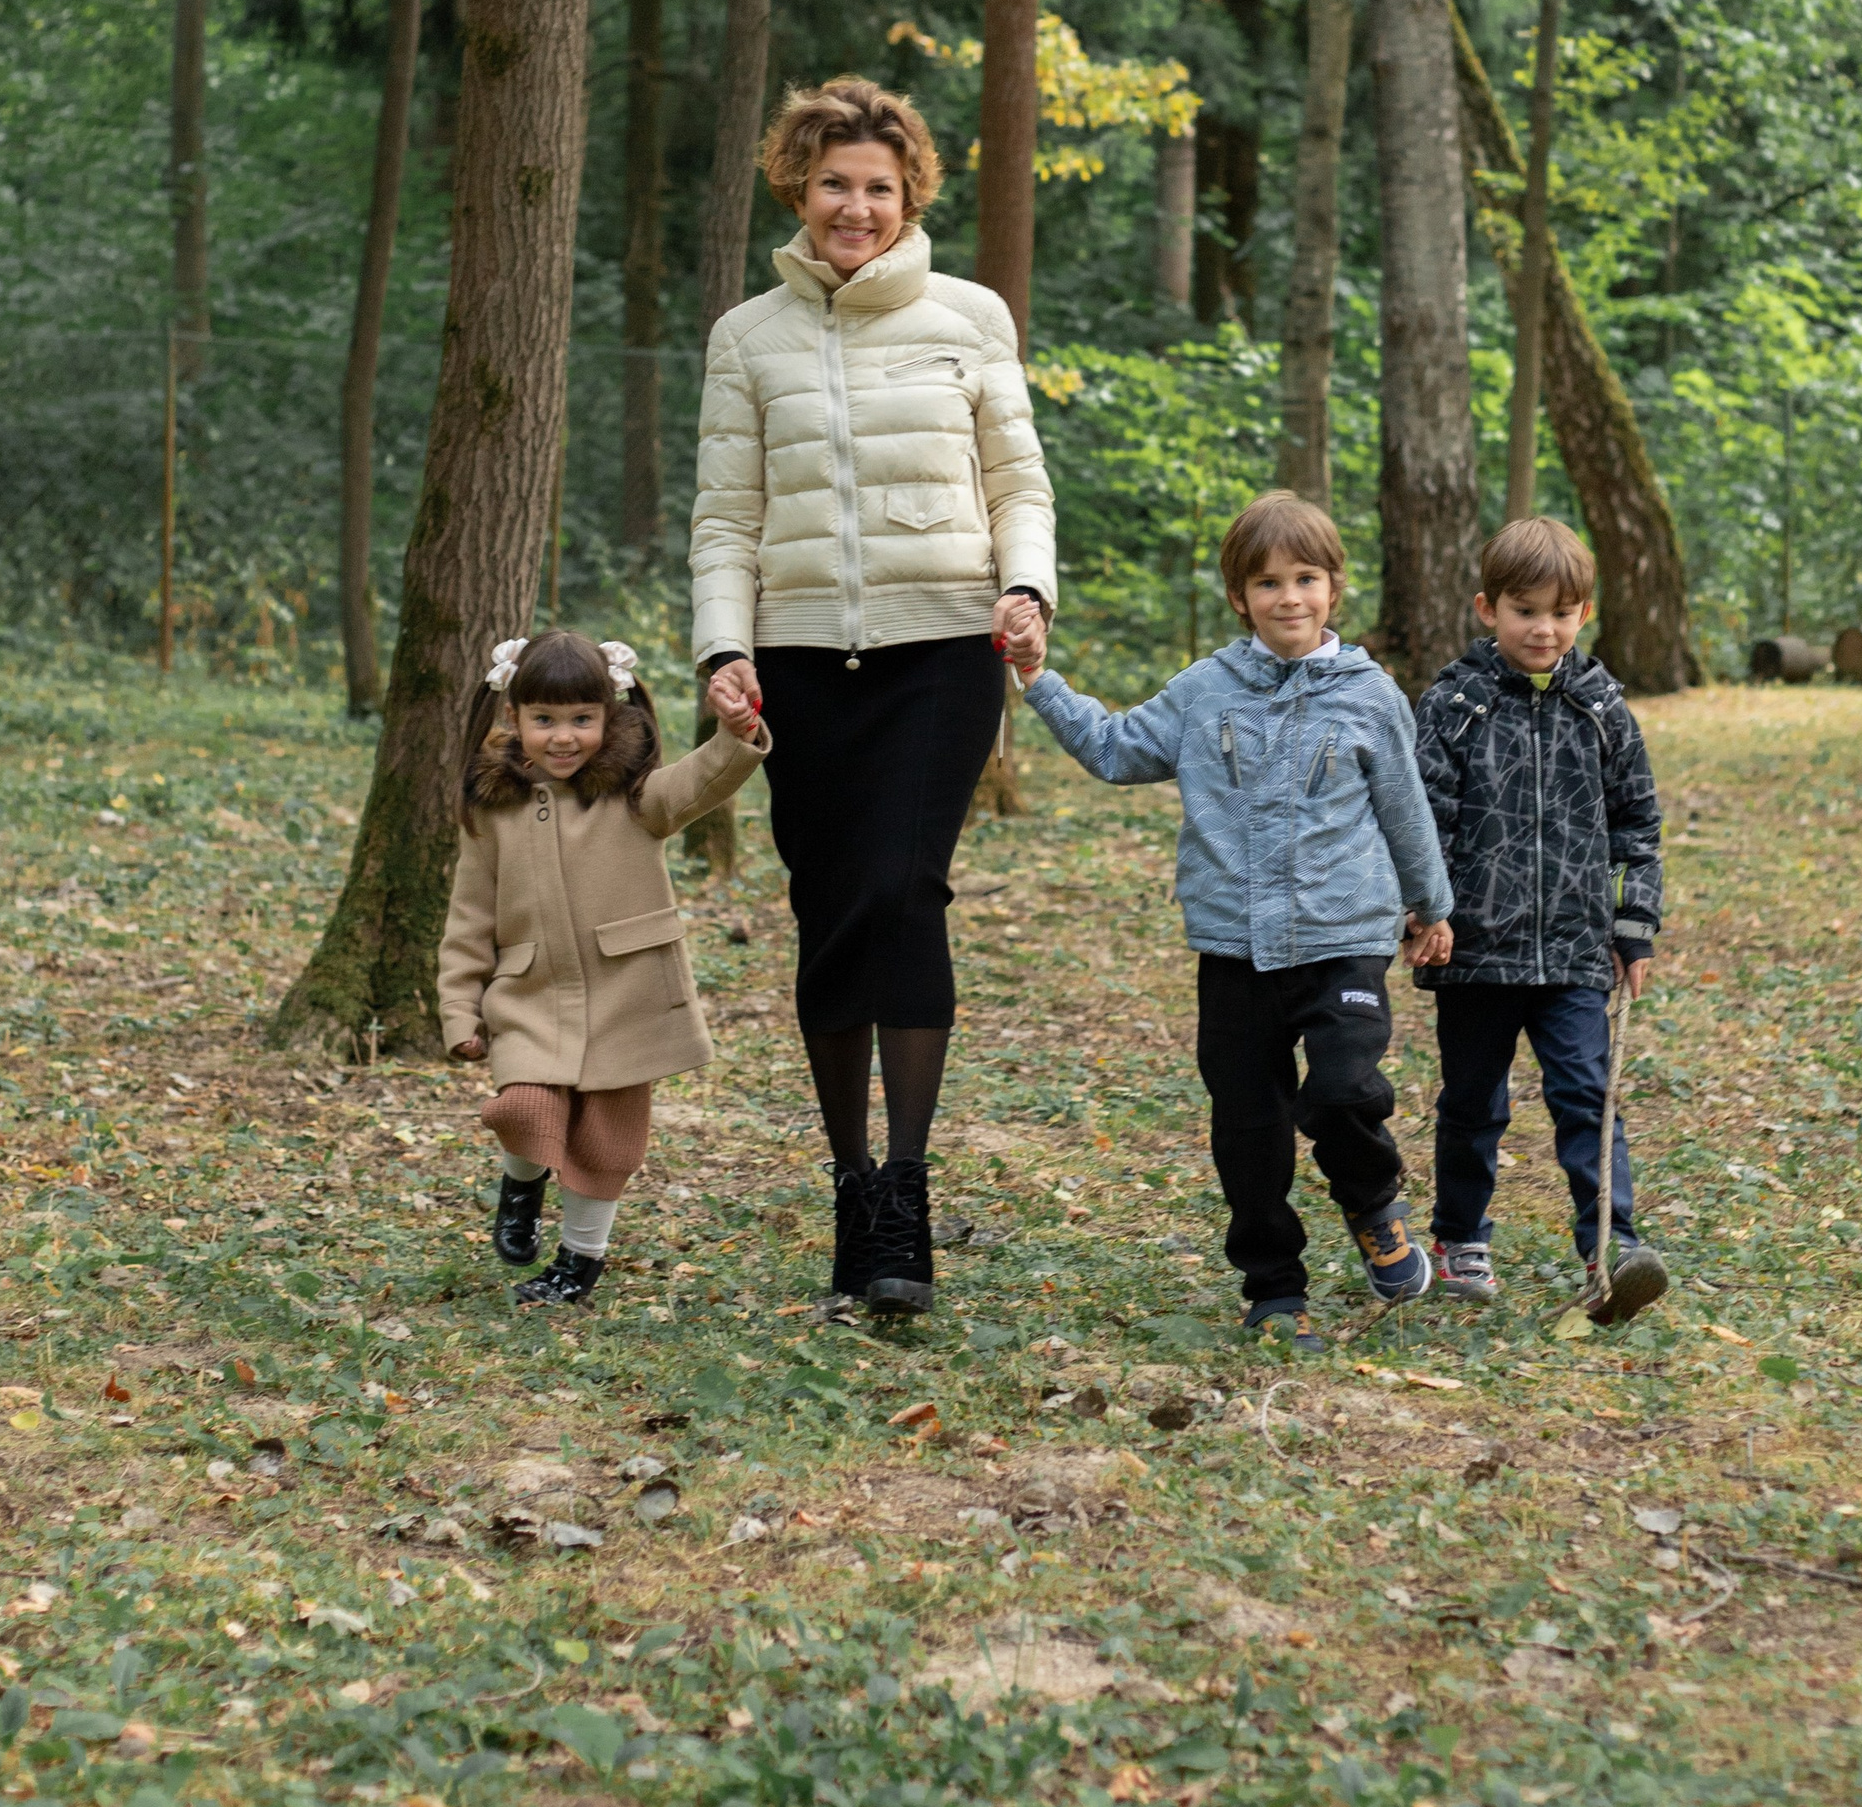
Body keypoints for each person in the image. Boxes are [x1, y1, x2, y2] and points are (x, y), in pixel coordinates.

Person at [690, 77, 1057, 1317]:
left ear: (910, 199)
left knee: (906, 890)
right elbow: (726, 518)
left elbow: (1019, 483)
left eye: (879, 188)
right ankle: (849, 1180)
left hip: (942, 648)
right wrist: (719, 652)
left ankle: (905, 1186)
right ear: (797, 186)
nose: (856, 206)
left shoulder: (970, 317)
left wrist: (1027, 593)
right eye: (835, 183)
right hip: (796, 660)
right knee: (832, 908)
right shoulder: (747, 338)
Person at [1000, 491, 1452, 1352]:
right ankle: (1274, 1288)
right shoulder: (1205, 690)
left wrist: (1432, 905)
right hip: (1234, 948)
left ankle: (1372, 1201)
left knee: (1344, 1090)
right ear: (1240, 597)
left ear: (1334, 587)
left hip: (1342, 939)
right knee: (1248, 1127)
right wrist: (1037, 677)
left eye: (1306, 578)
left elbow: (1405, 807)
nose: (1290, 597)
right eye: (1268, 582)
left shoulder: (1369, 693)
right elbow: (1113, 746)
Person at [439, 629, 767, 1312]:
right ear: (514, 718)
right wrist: (459, 1011)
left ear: (609, 717)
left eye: (582, 719)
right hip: (528, 992)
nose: (564, 737)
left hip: (628, 990)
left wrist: (735, 735)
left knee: (606, 1141)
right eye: (546, 720)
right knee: (524, 1105)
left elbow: (700, 779)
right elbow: (468, 920)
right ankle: (521, 1185)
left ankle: (579, 1260)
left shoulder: (636, 794)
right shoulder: (492, 809)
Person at [1410, 515, 1669, 1323]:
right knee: (1473, 1100)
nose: (1543, 627)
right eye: (1526, 609)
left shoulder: (1602, 708)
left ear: (1582, 614)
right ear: (1489, 608)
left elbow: (1639, 826)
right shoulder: (1455, 704)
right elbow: (1420, 821)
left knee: (1587, 1093)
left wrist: (1635, 926)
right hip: (1475, 950)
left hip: (1573, 953)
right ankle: (1459, 1237)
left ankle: (1612, 1245)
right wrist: (1425, 913)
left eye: (1561, 611)